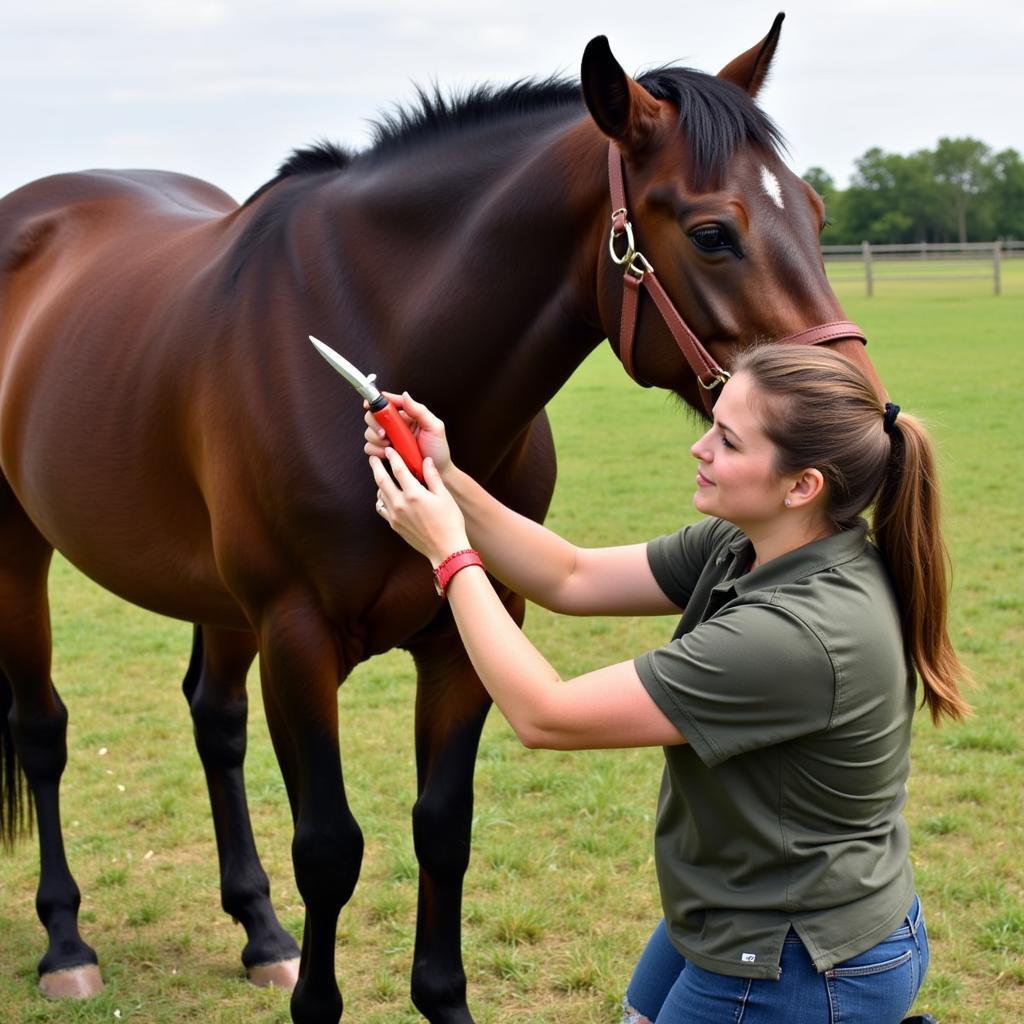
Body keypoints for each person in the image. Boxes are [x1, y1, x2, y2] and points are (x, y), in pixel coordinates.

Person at [364, 343, 970, 1024]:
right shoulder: (749, 543)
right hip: (745, 908)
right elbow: (570, 575)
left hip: (794, 954)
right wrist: (446, 477)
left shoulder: (796, 636)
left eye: (729, 441)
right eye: (712, 423)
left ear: (803, 485)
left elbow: (546, 715)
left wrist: (449, 554)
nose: (700, 448)